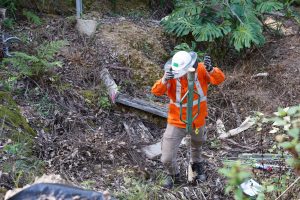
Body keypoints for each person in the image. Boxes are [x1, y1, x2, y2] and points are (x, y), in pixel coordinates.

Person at [151, 51, 225, 189]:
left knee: (197, 145)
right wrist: (164, 80)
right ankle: (173, 175)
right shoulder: (171, 75)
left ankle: (196, 166)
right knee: (166, 157)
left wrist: (211, 69)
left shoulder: (201, 69)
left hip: (197, 120)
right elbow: (156, 91)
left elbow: (219, 79)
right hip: (176, 122)